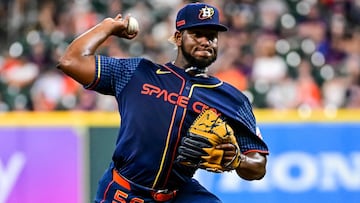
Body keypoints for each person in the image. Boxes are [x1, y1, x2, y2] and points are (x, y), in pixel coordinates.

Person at [57, 2, 269, 203]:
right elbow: (71, 61)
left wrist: (239, 160)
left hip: (179, 194)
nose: (206, 41)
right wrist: (108, 27)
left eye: (212, 37)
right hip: (123, 192)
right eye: (197, 34)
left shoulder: (232, 99)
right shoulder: (137, 73)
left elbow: (259, 166)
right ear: (178, 37)